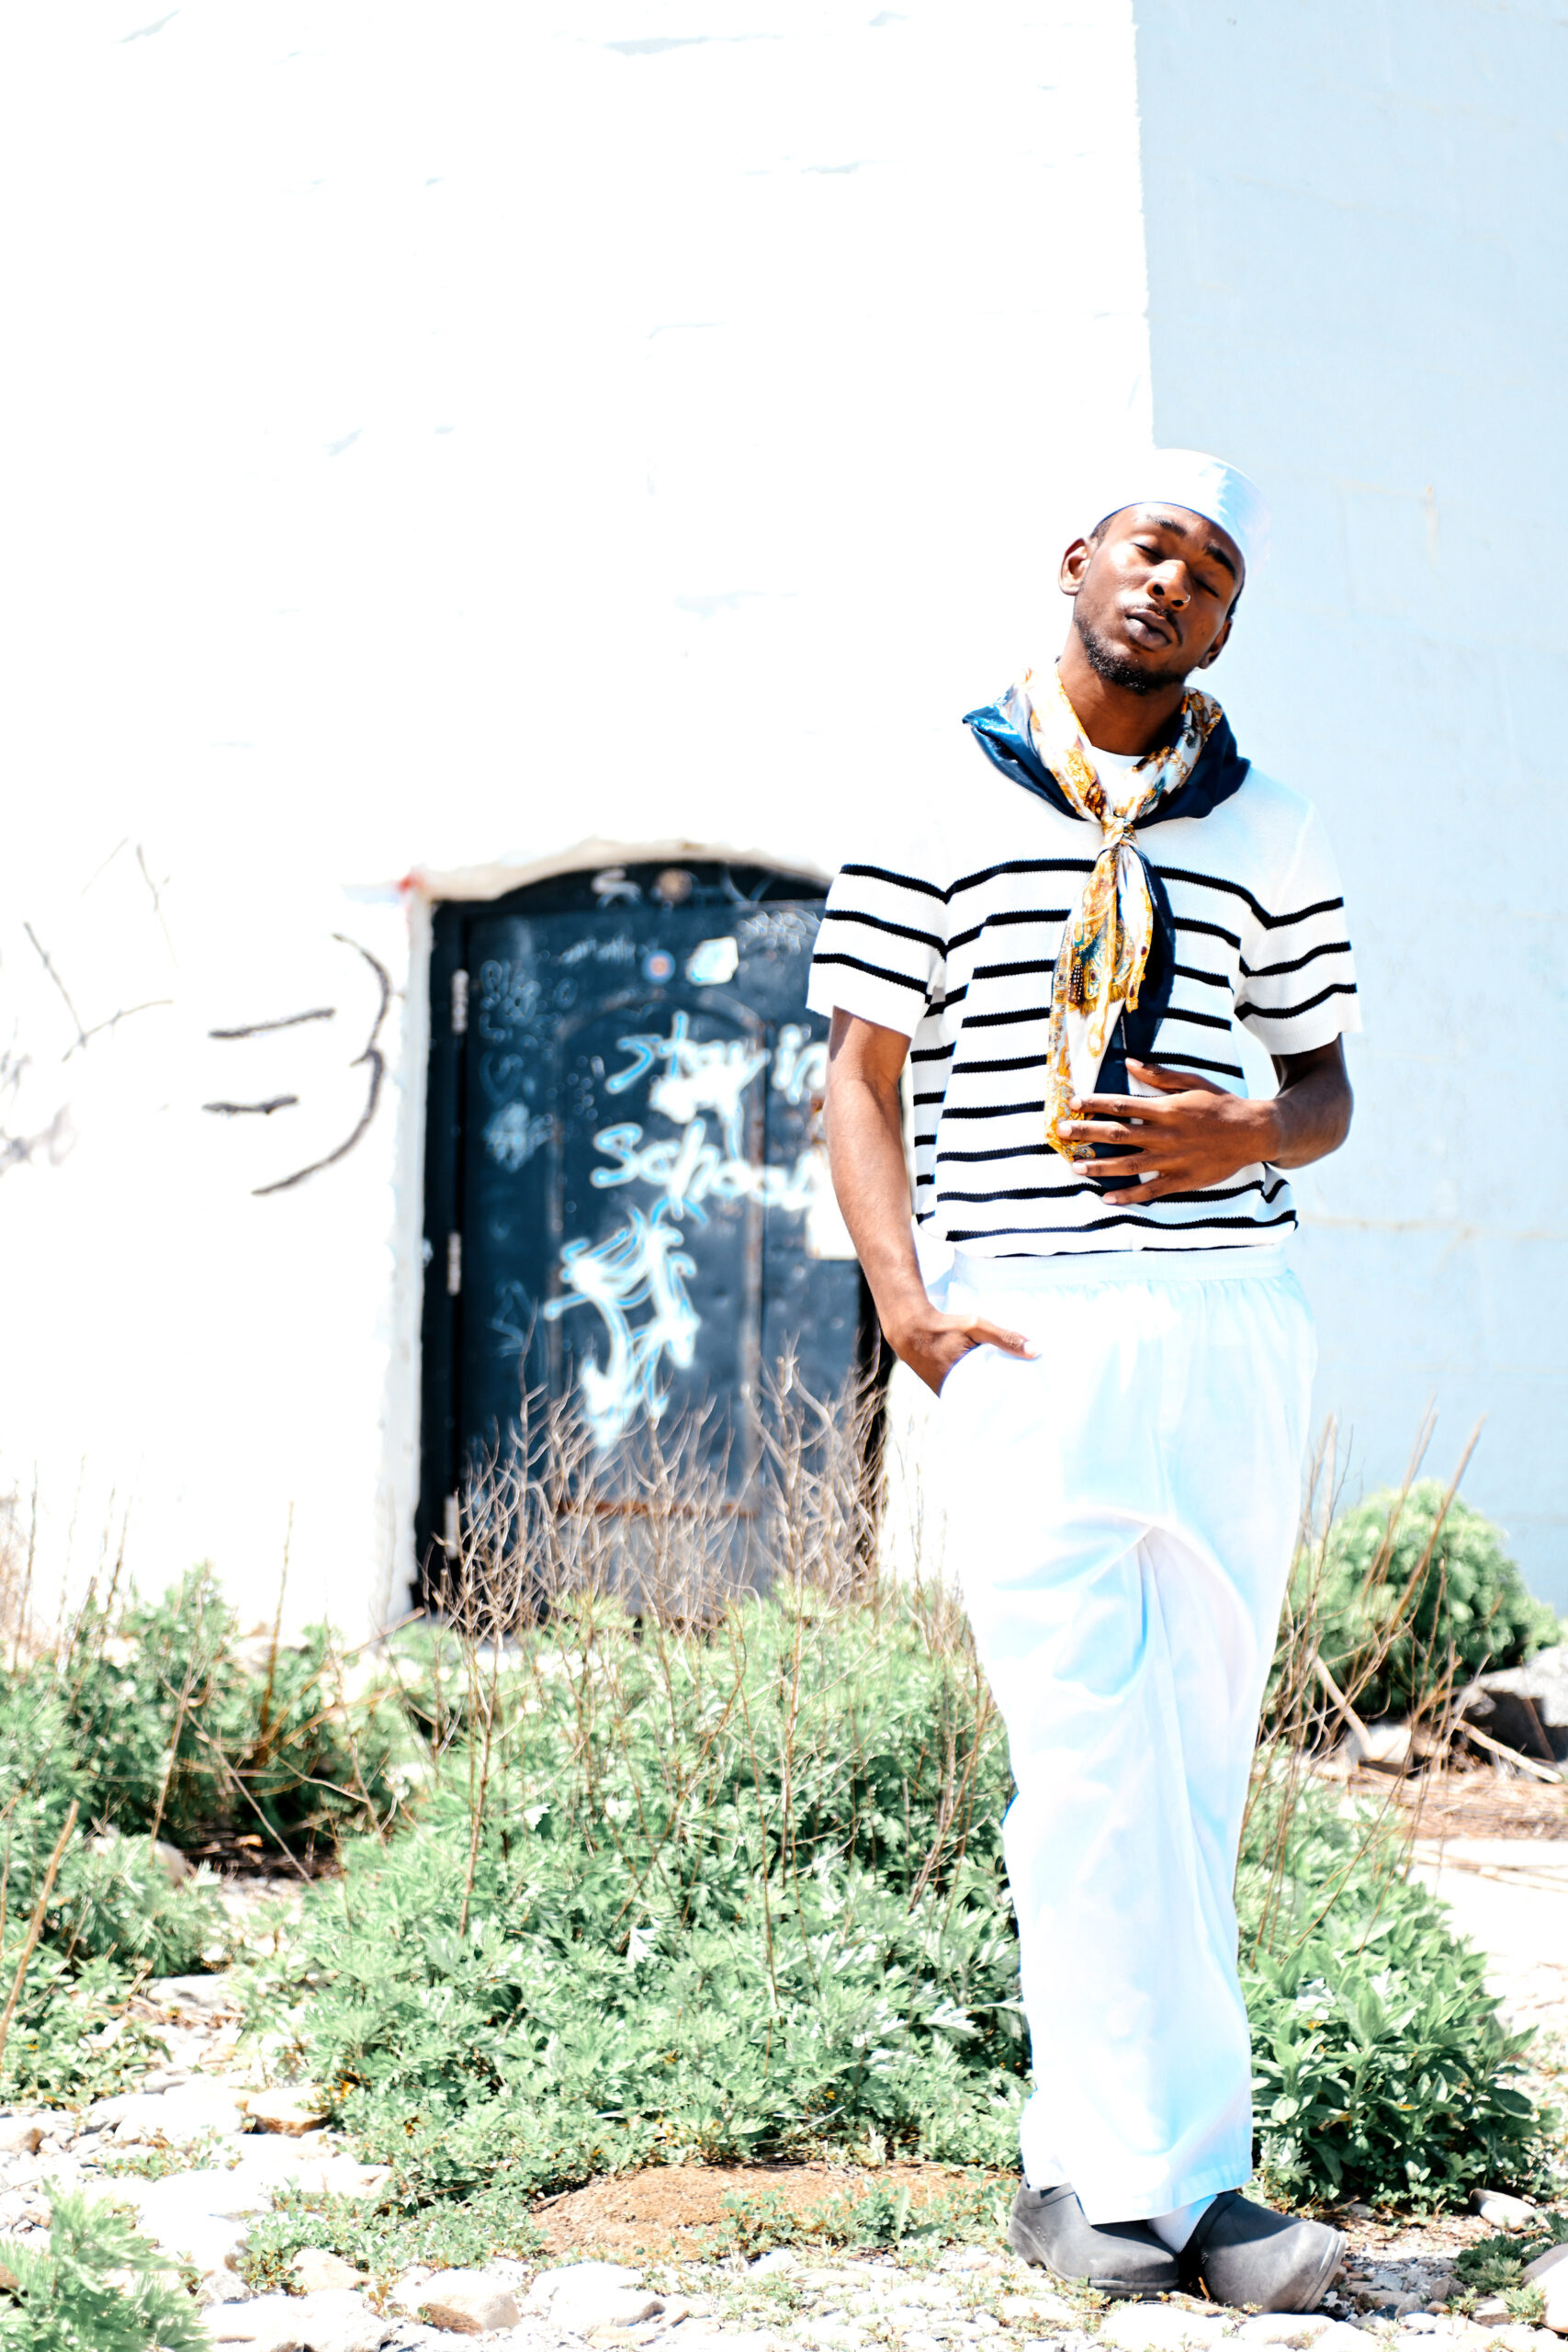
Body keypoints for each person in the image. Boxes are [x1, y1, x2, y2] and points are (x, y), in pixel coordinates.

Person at [807, 452, 1358, 2312]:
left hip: (1230, 1317)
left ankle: (1184, 2188)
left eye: (1211, 570)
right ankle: (1099, 2167)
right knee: (1080, 1759)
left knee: (1194, 1758)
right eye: (1149, 546)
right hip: (1028, 1319)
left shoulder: (1271, 823)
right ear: (1078, 560)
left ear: (1226, 621)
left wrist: (1239, 1130)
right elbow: (861, 1070)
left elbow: (1323, 1086)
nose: (1172, 582)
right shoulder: (935, 790)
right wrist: (908, 1307)